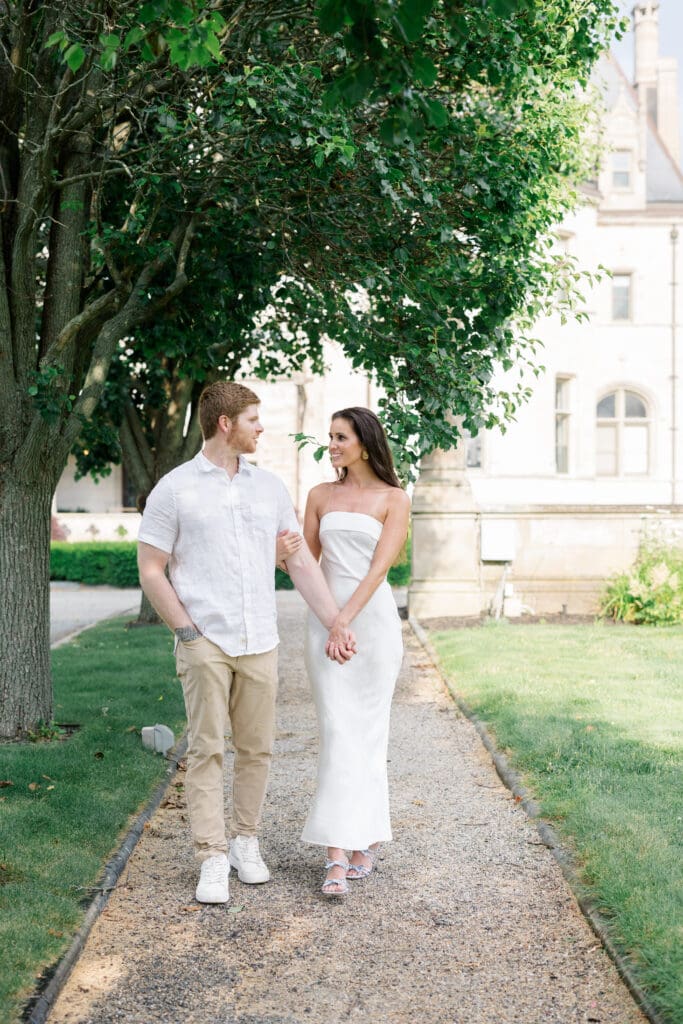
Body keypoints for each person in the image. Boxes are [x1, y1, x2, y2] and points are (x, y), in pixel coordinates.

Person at [137, 382, 356, 905]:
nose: (262, 428)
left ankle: (244, 842)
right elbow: (151, 568)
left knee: (257, 749)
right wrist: (185, 631)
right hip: (205, 638)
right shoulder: (175, 488)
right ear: (225, 424)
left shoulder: (269, 489)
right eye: (254, 419)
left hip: (260, 638)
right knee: (208, 748)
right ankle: (211, 856)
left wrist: (335, 621)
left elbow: (298, 561)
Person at [297, 407, 410, 896]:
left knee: (369, 736)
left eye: (341, 437)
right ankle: (337, 855)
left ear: (365, 442)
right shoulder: (319, 496)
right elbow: (303, 563)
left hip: (373, 626)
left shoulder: (395, 498)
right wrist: (329, 617)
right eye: (330, 437)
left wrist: (344, 620)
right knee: (338, 732)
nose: (333, 445)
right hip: (324, 625)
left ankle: (366, 839)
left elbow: (379, 570)